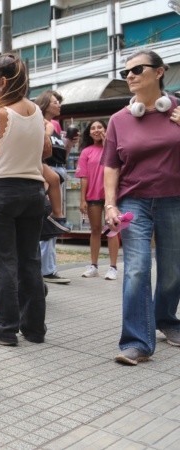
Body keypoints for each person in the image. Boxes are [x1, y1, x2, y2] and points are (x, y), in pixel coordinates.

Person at [102, 50, 180, 366]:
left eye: (137, 69)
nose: (130, 75)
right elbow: (111, 166)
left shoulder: (177, 109)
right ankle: (137, 341)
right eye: (126, 72)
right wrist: (110, 204)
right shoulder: (119, 120)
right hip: (133, 202)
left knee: (173, 267)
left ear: (159, 72)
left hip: (174, 198)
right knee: (136, 267)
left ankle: (166, 319)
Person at [0, 53, 50, 347]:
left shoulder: (0, 114)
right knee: (30, 260)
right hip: (34, 191)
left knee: (3, 261)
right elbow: (44, 151)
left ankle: (3, 327)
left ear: (2, 82)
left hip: (3, 191)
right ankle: (34, 328)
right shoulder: (36, 111)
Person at [34, 90, 74, 284]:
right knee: (47, 221)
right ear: (44, 103)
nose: (58, 104)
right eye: (55, 101)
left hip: (58, 173)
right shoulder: (37, 119)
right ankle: (45, 269)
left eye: (59, 101)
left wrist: (70, 144)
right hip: (45, 174)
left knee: (50, 224)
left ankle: (47, 267)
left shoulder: (56, 125)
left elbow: (60, 153)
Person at [76, 120, 119, 280]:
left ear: (106, 129)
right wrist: (82, 200)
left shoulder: (112, 147)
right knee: (95, 230)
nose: (96, 130)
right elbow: (84, 177)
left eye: (99, 127)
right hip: (93, 196)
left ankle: (113, 267)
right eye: (93, 128)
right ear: (89, 133)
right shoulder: (86, 151)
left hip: (111, 197)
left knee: (112, 230)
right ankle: (93, 266)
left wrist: (108, 139)